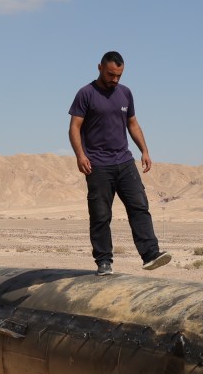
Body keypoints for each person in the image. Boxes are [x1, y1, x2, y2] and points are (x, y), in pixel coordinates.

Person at [68, 51, 171, 276]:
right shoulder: (85, 94)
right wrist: (80, 155)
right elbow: (74, 127)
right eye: (111, 74)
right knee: (101, 214)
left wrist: (144, 150)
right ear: (100, 68)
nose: (115, 79)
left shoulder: (125, 93)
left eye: (119, 76)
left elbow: (132, 123)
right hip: (97, 164)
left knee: (139, 206)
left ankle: (150, 254)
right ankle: (104, 261)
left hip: (124, 161)